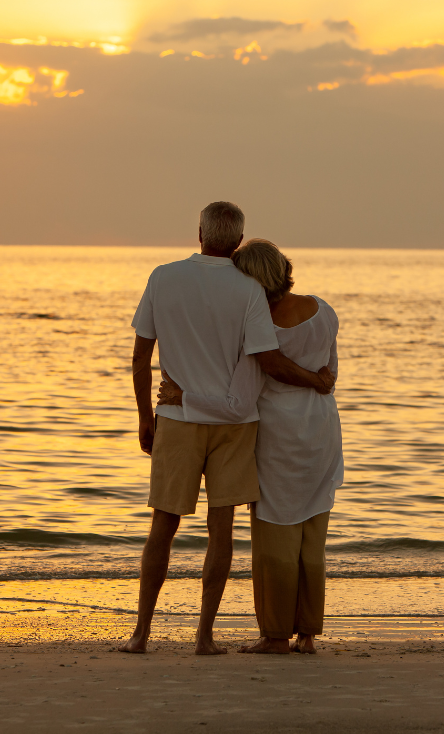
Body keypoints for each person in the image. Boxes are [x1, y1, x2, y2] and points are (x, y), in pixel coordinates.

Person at [121, 203, 335, 656]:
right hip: (237, 427)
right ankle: (204, 636)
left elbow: (141, 357)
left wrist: (144, 416)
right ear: (238, 241)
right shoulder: (250, 291)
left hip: (178, 420)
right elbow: (264, 357)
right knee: (222, 530)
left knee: (163, 526)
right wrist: (318, 380)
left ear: (198, 231)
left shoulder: (163, 276)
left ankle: (141, 634)